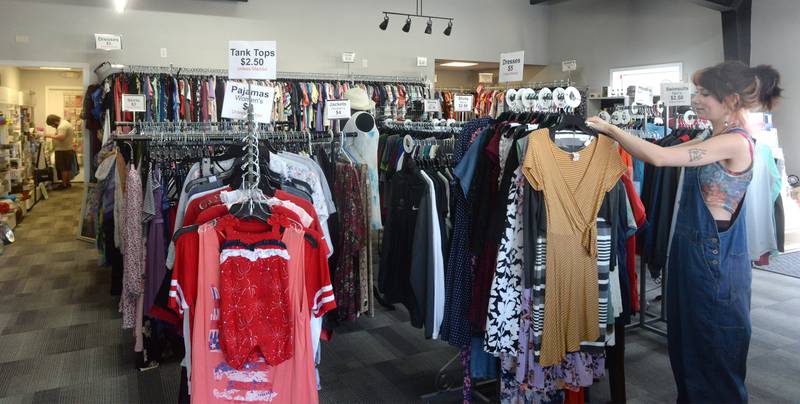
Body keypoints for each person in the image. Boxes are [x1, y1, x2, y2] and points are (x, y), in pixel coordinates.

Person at [587, 61, 782, 403]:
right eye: (696, 91)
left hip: (715, 265)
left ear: (732, 99)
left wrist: (612, 130)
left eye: (705, 93)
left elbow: (660, 158)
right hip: (691, 257)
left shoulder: (735, 143)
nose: (696, 99)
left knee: (714, 355)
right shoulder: (711, 136)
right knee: (689, 352)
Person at [44, 114, 75, 189]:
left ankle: (64, 184)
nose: (53, 127)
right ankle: (67, 183)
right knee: (67, 168)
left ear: (55, 122)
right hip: (67, 149)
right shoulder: (65, 123)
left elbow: (61, 137)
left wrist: (49, 135)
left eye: (52, 125)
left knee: (63, 168)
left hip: (63, 150)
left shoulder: (62, 126)